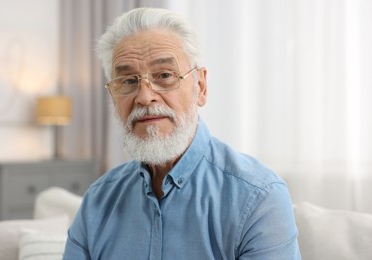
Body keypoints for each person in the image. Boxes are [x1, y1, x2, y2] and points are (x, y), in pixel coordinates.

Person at [63, 7, 301, 259]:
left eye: (165, 75)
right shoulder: (98, 201)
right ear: (112, 96)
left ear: (200, 86)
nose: (144, 97)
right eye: (129, 81)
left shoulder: (259, 196)